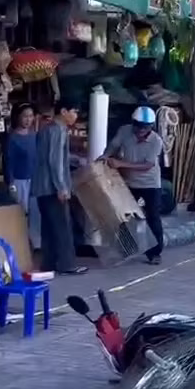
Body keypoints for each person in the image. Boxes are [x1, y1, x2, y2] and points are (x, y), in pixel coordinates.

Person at [100, 106, 165, 264]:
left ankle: (155, 253)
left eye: (145, 127)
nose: (141, 130)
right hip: (129, 182)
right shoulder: (124, 131)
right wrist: (105, 156)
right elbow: (114, 146)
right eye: (138, 126)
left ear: (151, 127)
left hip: (150, 184)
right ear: (133, 124)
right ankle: (126, 248)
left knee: (153, 217)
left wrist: (120, 164)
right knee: (124, 216)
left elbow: (147, 165)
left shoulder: (156, 141)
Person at [33, 99, 88, 274]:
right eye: (74, 111)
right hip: (52, 187)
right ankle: (67, 264)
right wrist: (61, 187)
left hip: (42, 186)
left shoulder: (47, 129)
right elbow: (55, 161)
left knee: (49, 228)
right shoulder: (57, 130)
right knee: (63, 226)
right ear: (63, 111)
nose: (75, 116)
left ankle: (49, 264)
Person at [4, 103, 40, 249]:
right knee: (21, 214)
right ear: (18, 117)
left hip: (35, 180)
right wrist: (11, 182)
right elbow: (8, 161)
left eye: (31, 116)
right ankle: (21, 245)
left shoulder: (35, 135)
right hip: (19, 181)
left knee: (36, 214)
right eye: (25, 116)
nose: (28, 119)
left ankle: (36, 245)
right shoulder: (12, 138)